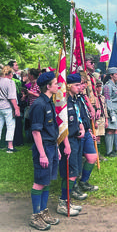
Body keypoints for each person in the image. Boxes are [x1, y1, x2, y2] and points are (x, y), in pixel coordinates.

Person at [28, 71, 60, 230]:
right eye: (55, 84)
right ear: (48, 86)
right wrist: (42, 154)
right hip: (43, 148)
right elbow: (36, 132)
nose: (58, 86)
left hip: (51, 146)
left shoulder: (49, 102)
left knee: (46, 180)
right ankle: (35, 216)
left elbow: (52, 127)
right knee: (39, 181)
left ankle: (43, 212)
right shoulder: (39, 104)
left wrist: (57, 148)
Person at [57, 73, 86, 216]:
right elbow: (62, 125)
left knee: (73, 171)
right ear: (68, 86)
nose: (80, 87)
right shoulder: (64, 102)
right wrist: (67, 143)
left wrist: (81, 126)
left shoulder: (75, 100)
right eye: (76, 85)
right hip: (68, 140)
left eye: (80, 84)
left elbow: (77, 117)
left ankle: (67, 200)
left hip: (76, 138)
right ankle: (63, 202)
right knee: (70, 173)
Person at [70, 74, 99, 200]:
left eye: (83, 84)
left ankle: (84, 181)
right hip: (76, 132)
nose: (82, 86)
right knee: (75, 162)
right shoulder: (72, 99)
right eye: (79, 84)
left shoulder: (81, 97)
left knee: (92, 157)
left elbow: (86, 115)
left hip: (86, 131)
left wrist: (88, 130)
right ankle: (74, 186)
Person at [103, 67, 117, 157]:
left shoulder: (116, 85)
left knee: (114, 129)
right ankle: (109, 151)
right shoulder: (108, 86)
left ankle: (112, 149)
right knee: (110, 130)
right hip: (112, 109)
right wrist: (111, 113)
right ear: (111, 75)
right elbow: (107, 100)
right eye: (116, 74)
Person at [0, 66, 20, 153]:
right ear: (10, 74)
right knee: (10, 126)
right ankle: (10, 146)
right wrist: (16, 108)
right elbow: (12, 97)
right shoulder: (10, 82)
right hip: (8, 106)